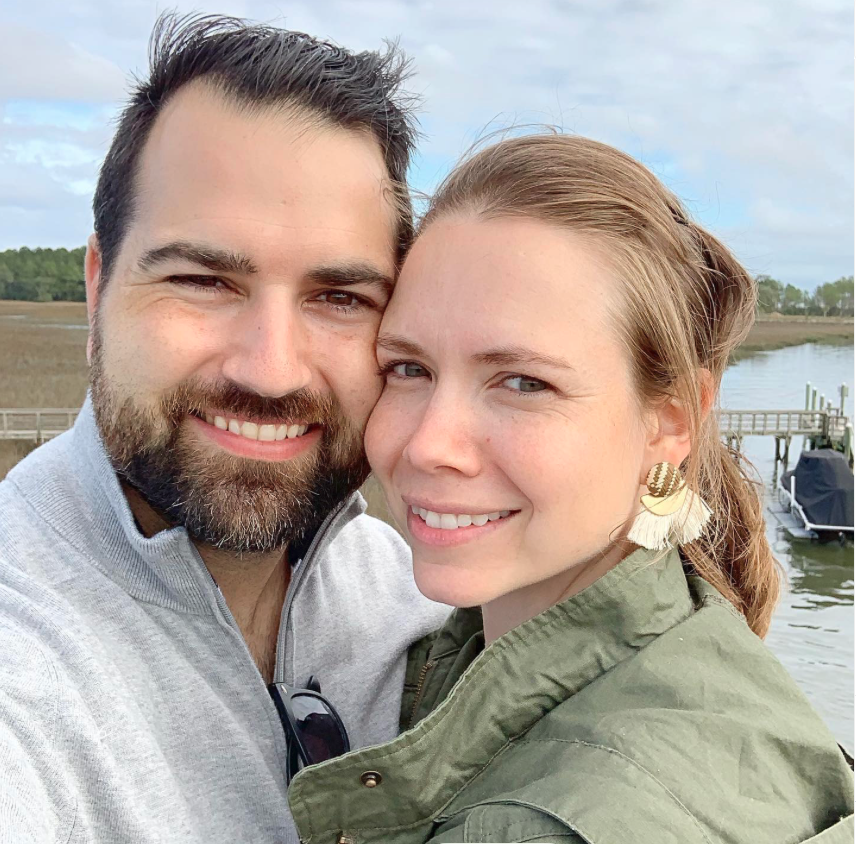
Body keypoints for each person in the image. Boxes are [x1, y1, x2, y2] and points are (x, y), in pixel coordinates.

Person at [286, 134, 855, 843]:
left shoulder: (543, 825)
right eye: (408, 368)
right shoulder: (697, 652)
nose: (430, 443)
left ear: (670, 421)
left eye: (523, 383)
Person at [0, 14, 449, 844]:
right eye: (203, 280)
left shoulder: (421, 594)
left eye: (340, 298)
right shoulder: (22, 670)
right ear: (97, 285)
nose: (271, 370)